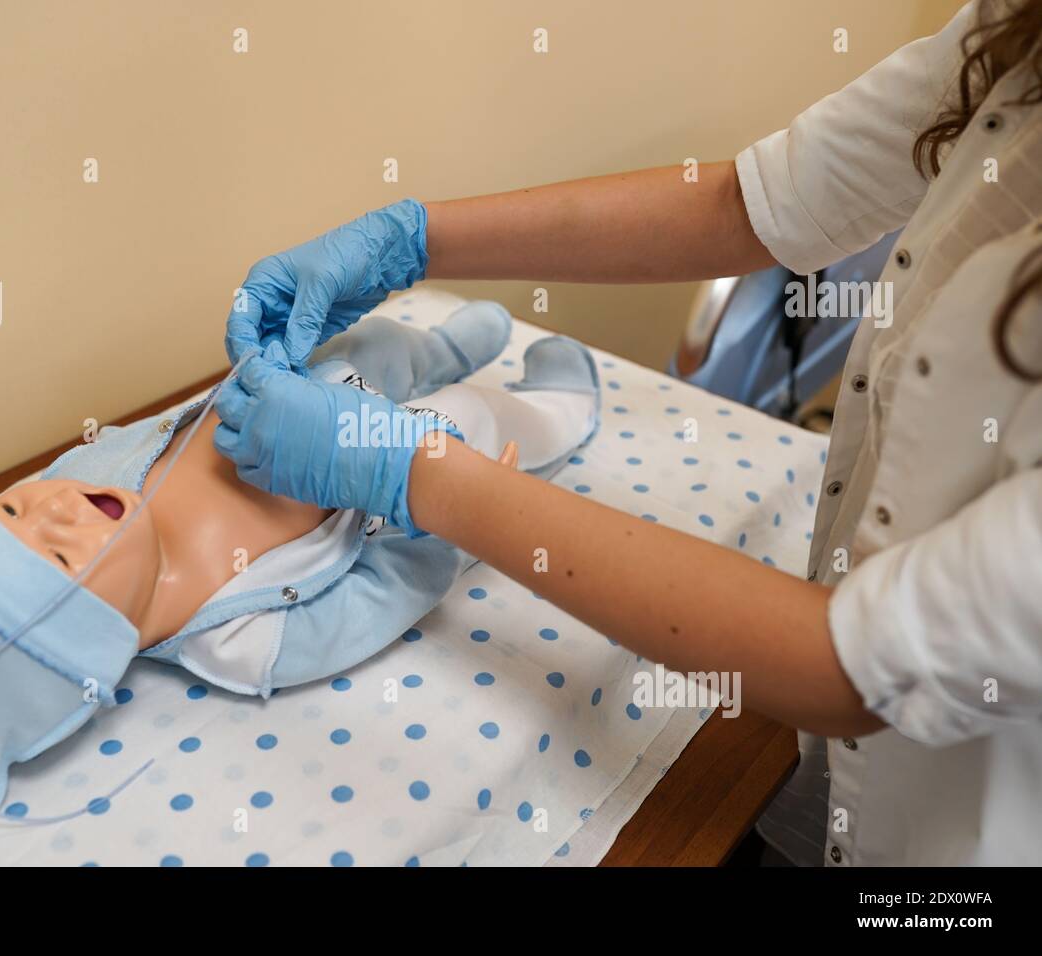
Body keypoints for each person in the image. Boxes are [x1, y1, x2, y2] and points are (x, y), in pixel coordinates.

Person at [214, 0, 1042, 865]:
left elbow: (847, 666)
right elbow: (749, 202)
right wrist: (410, 239)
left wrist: (417, 473)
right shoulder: (1015, 31)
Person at [0, 302, 602, 839]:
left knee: (368, 350)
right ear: (92, 640)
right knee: (466, 426)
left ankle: (432, 351)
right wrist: (450, 515)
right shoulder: (240, 641)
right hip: (390, 480)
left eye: (9, 509)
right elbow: (388, 591)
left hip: (303, 402)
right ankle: (562, 412)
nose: (54, 507)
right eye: (53, 550)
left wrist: (267, 367)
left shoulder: (100, 474)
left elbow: (161, 424)